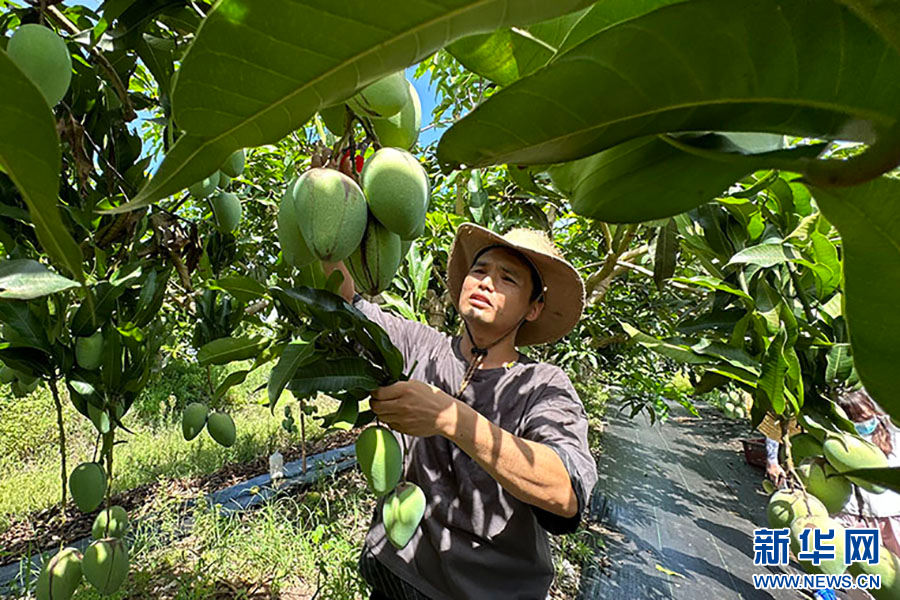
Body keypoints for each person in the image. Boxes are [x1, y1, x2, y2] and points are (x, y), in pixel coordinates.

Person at [324, 223, 598, 600]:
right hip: (395, 578)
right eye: (480, 270)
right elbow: (346, 306)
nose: (486, 282)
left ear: (533, 308)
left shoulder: (542, 385)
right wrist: (331, 224)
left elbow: (564, 493)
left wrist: (450, 418)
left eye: (507, 278)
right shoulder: (421, 347)